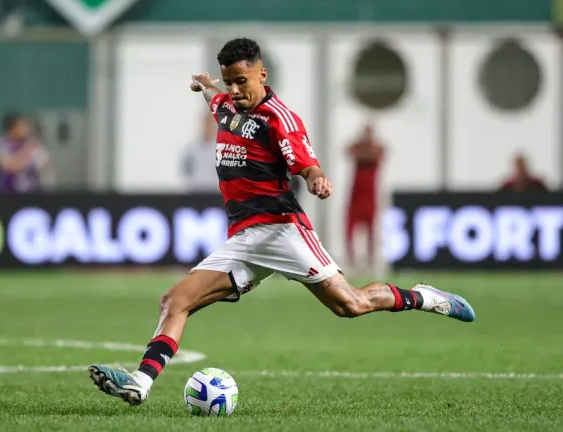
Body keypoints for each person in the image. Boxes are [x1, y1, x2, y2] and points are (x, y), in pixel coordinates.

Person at [88, 38, 476, 406]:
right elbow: (215, 99)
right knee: (175, 300)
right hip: (243, 239)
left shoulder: (280, 119)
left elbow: (305, 162)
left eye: (242, 81)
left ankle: (423, 297)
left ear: (262, 74)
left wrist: (316, 177)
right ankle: (140, 383)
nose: (236, 90)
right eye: (229, 82)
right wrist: (206, 85)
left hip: (281, 230)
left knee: (350, 305)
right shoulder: (225, 104)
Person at [345, 122, 385, 271]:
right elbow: (349, 150)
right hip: (355, 196)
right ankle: (352, 262)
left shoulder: (377, 148)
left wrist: (367, 146)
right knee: (349, 231)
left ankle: (370, 261)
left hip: (370, 198)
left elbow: (375, 154)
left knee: (371, 233)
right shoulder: (358, 148)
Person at [0, 114, 52, 192]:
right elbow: (10, 167)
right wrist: (27, 150)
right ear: (12, 129)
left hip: (32, 192)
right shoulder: (1, 146)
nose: (27, 129)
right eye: (22, 126)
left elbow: (44, 163)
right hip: (8, 193)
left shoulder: (34, 145)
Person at [181, 113, 220, 193]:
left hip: (214, 192)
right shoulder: (191, 148)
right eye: (206, 123)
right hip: (195, 191)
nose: (208, 127)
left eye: (211, 124)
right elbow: (185, 168)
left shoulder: (220, 148)